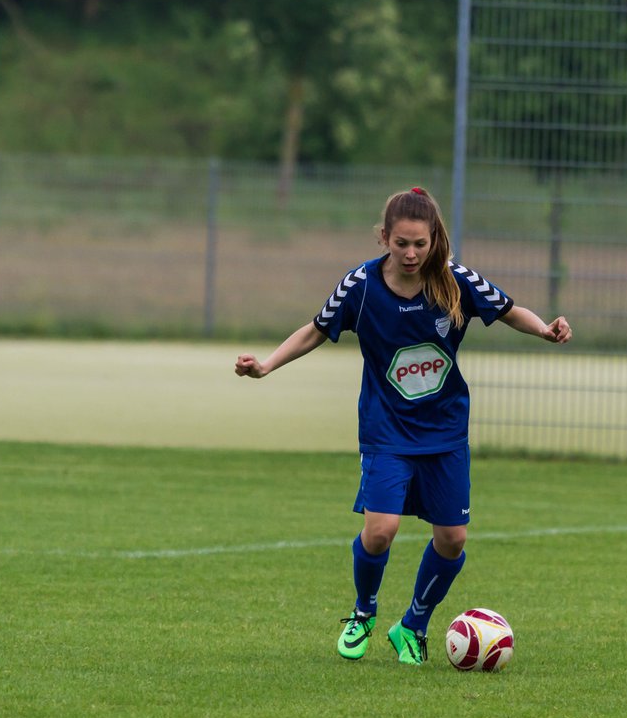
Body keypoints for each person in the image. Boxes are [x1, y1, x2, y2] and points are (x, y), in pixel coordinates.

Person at [234, 187, 572, 666]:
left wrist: (544, 330)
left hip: (445, 429)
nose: (412, 254)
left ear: (435, 239)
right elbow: (315, 329)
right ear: (384, 239)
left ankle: (413, 623)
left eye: (421, 243)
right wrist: (266, 365)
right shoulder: (361, 286)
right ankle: (363, 612)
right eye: (401, 244)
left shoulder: (455, 281)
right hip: (386, 428)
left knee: (453, 539)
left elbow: (508, 308)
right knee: (380, 530)